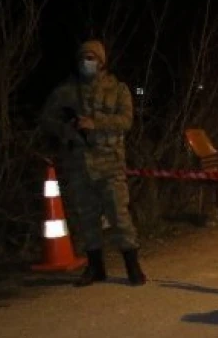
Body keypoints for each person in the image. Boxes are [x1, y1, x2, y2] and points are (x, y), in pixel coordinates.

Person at [40, 39, 147, 287]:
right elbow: (46, 118)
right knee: (86, 217)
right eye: (83, 58)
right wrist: (67, 129)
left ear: (101, 62)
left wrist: (95, 122)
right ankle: (95, 267)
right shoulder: (67, 90)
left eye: (92, 58)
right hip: (79, 164)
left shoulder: (117, 89)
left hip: (110, 163)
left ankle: (133, 266)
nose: (87, 62)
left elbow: (126, 120)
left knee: (119, 215)